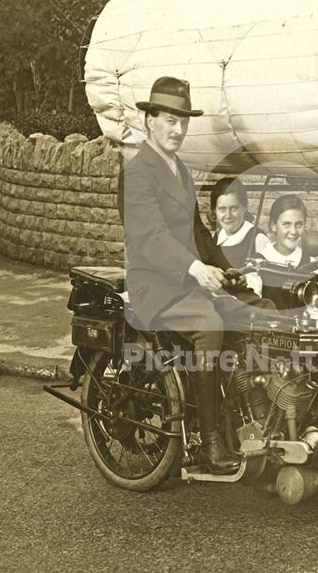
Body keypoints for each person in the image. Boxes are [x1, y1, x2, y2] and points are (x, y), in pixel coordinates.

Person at [120, 75, 251, 475]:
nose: (178, 130)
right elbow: (150, 237)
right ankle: (208, 441)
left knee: (255, 312)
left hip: (188, 280)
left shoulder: (181, 171)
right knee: (209, 327)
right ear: (149, 122)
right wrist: (195, 267)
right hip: (155, 285)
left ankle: (242, 423)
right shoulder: (138, 171)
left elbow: (198, 232)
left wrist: (229, 270)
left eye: (183, 122)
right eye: (170, 121)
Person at [210, 177, 270, 296]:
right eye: (222, 209)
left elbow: (267, 281)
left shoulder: (257, 238)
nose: (228, 215)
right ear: (215, 210)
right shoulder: (215, 238)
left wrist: (246, 280)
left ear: (244, 208)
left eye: (234, 208)